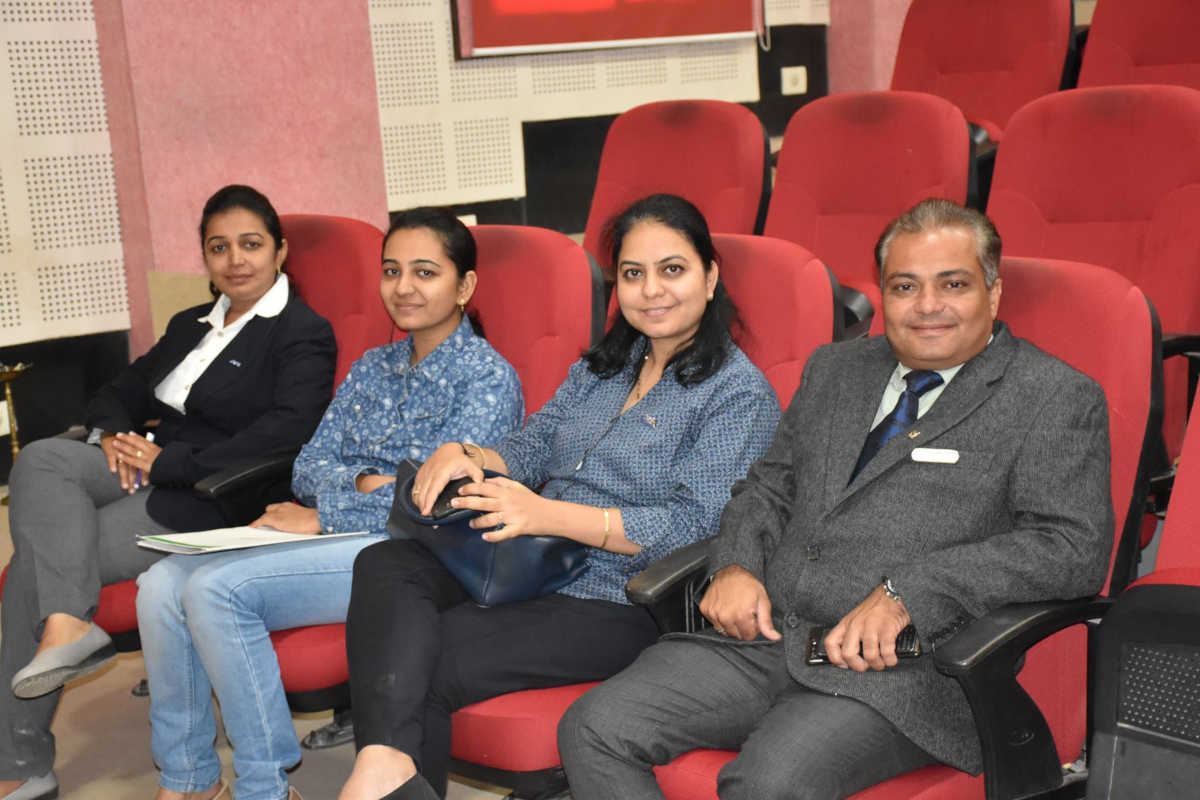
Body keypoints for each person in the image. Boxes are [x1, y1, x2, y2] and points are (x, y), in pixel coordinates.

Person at [557, 198, 1114, 799]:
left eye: (953, 284)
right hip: (768, 638)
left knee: (766, 786)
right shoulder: (836, 369)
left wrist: (911, 592)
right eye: (905, 286)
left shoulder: (1052, 396)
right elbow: (769, 484)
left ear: (993, 292)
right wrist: (737, 564)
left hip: (901, 669)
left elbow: (1071, 547)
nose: (927, 305)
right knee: (595, 727)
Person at [336, 194, 781, 800]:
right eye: (633, 273)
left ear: (709, 277)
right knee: (383, 563)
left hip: (619, 598)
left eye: (672, 269)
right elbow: (538, 442)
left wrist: (547, 513)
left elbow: (693, 527)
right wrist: (471, 455)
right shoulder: (608, 365)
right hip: (534, 559)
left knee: (422, 663)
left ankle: (380, 776)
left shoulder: (736, 394)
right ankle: (384, 768)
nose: (651, 290)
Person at [134, 207, 524, 800]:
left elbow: (439, 502)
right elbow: (309, 466)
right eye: (392, 270)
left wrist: (331, 510)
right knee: (159, 585)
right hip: (339, 530)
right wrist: (370, 483)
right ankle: (188, 780)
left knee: (216, 591)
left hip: (408, 554)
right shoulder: (372, 367)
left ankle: (264, 788)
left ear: (464, 285)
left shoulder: (488, 379)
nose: (403, 287)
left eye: (425, 272)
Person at [0, 185, 338, 800]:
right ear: (204, 256)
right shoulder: (192, 323)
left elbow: (287, 432)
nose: (235, 259)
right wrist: (111, 437)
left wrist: (168, 462)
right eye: (219, 247)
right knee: (44, 459)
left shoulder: (301, 332)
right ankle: (67, 624)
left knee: (32, 566)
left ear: (280, 251)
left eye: (251, 244)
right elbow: (119, 391)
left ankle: (20, 758)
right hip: (145, 465)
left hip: (209, 491)